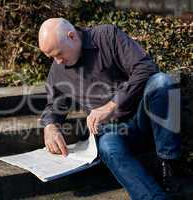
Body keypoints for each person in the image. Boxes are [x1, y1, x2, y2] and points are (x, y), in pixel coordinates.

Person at [39, 18, 181, 200]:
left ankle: (170, 168)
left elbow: (145, 67)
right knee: (107, 145)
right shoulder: (57, 70)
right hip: (112, 131)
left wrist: (112, 105)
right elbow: (54, 105)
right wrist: (50, 126)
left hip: (144, 117)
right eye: (51, 57)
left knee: (162, 82)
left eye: (58, 54)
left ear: (72, 36)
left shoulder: (107, 35)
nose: (57, 61)